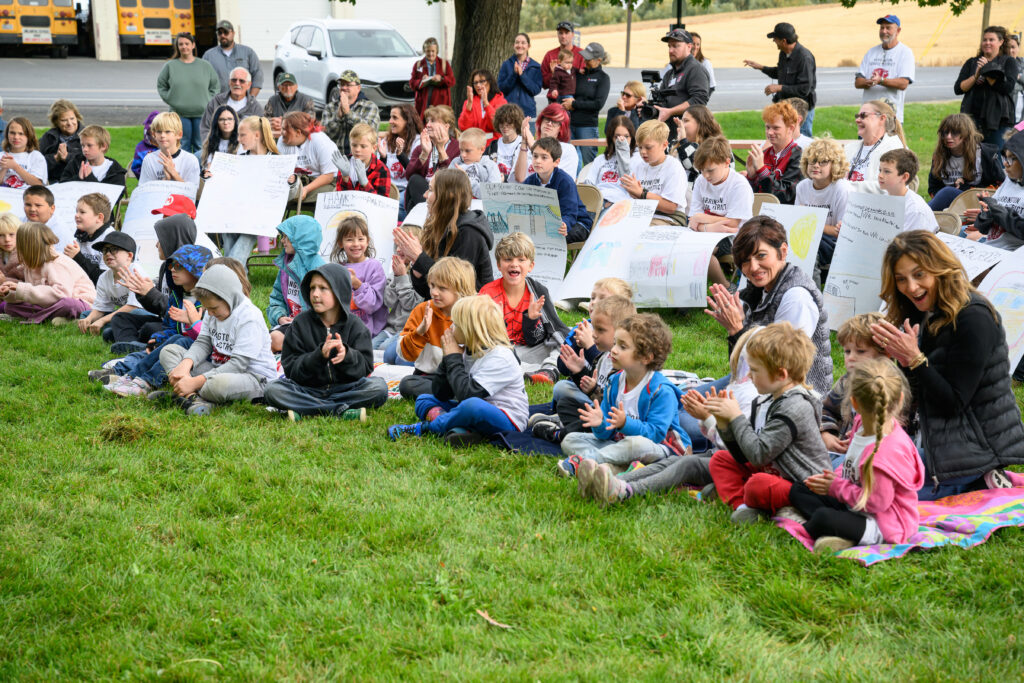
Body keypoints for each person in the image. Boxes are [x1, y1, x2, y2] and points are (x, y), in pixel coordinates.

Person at [871, 230, 1024, 499]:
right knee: (846, 467)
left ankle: (980, 481)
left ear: (940, 268)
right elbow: (919, 392)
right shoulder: (920, 311)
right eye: (901, 279)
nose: (911, 287)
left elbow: (953, 402)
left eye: (919, 274)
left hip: (972, 450)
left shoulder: (974, 317)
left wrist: (915, 359)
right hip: (932, 439)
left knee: (871, 489)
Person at [601, 326, 764, 505]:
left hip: (735, 465)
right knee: (674, 462)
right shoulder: (743, 389)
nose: (747, 373)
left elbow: (741, 450)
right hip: (719, 455)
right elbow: (722, 441)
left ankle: (627, 491)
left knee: (686, 465)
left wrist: (708, 418)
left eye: (753, 369)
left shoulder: (752, 397)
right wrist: (708, 415)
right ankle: (616, 482)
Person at [790, 358, 924, 553]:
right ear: (900, 399)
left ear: (854, 402)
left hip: (883, 523)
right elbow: (849, 465)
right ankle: (841, 531)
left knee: (822, 518)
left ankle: (845, 535)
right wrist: (834, 479)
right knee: (799, 489)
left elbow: (876, 503)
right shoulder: (861, 424)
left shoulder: (884, 454)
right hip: (852, 502)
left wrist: (835, 487)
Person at [704, 322, 830, 523]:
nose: (748, 376)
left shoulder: (795, 407)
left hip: (803, 487)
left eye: (754, 370)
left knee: (758, 484)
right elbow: (742, 454)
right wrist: (724, 423)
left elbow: (757, 455)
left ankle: (765, 504)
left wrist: (736, 416)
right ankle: (744, 506)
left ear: (781, 374)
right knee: (721, 459)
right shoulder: (766, 398)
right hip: (772, 470)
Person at [704, 217, 833, 397]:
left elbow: (780, 369)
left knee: (687, 417)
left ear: (783, 251)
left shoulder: (796, 298)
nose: (753, 267)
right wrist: (737, 329)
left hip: (793, 400)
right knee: (680, 398)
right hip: (756, 382)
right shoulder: (757, 290)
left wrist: (737, 330)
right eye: (745, 261)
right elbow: (743, 367)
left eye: (761, 256)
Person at [557, 313, 690, 481]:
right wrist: (600, 423)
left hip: (662, 450)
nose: (613, 350)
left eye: (622, 346)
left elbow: (655, 434)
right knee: (571, 440)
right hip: (621, 445)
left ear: (646, 357)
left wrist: (625, 423)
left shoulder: (661, 391)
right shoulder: (615, 382)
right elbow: (605, 435)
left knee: (635, 445)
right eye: (614, 343)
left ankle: (586, 462)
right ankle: (616, 467)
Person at [388, 295, 528, 446]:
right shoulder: (467, 350)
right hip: (473, 409)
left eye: (455, 324)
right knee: (424, 399)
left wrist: (453, 358)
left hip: (508, 419)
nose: (450, 327)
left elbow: (467, 396)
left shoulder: (501, 356)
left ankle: (427, 428)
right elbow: (441, 393)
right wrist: (447, 358)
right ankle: (462, 430)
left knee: (472, 406)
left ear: (470, 329)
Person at [263, 264, 389, 422]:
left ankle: (306, 410)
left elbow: (365, 368)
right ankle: (342, 410)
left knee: (379, 388)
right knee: (273, 390)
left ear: (339, 291)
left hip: (346, 389)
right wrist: (318, 356)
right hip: (307, 390)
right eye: (312, 288)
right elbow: (291, 369)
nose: (315, 294)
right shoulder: (300, 323)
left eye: (323, 288)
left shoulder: (355, 325)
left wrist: (347, 355)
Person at [160, 264, 278, 416]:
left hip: (253, 378)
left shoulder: (249, 317)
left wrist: (196, 381)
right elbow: (203, 342)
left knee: (215, 386)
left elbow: (238, 365)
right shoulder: (212, 310)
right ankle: (192, 397)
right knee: (169, 352)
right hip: (217, 369)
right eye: (207, 308)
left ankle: (187, 392)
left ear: (229, 298)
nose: (209, 313)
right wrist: (185, 364)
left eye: (214, 308)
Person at [104, 244, 211, 396]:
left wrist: (193, 322)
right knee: (150, 348)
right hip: (177, 347)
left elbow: (207, 340)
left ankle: (144, 381)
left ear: (195, 269)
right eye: (171, 265)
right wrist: (159, 339)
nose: (172, 269)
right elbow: (170, 327)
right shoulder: (177, 296)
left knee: (178, 340)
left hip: (197, 353)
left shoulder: (209, 301)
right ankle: (128, 375)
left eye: (179, 266)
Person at [530, 294, 636, 446]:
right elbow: (595, 395)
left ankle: (559, 434)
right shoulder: (604, 358)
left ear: (620, 332)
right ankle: (566, 424)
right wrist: (579, 371)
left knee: (583, 425)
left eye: (600, 330)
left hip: (614, 423)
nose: (593, 334)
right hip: (599, 412)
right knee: (565, 404)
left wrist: (593, 389)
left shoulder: (623, 364)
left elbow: (612, 405)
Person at [478, 232, 569, 384]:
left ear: (530, 266)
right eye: (508, 259)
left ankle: (548, 370)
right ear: (499, 265)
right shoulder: (487, 293)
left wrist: (532, 320)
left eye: (521, 259)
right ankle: (527, 370)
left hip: (529, 350)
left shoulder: (538, 290)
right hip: (499, 351)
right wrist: (496, 324)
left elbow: (537, 339)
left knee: (564, 340)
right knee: (485, 356)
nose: (514, 264)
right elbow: (481, 339)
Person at [107, 212, 199, 351]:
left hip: (179, 326)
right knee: (119, 319)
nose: (156, 245)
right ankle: (132, 345)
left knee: (147, 329)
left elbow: (174, 311)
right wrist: (142, 293)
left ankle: (139, 346)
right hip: (164, 321)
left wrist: (151, 293)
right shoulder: (166, 267)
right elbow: (159, 309)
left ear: (171, 240)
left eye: (160, 240)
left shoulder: (190, 271)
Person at [393, 168, 493, 297]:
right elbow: (429, 292)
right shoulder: (442, 225)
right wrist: (415, 262)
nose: (424, 195)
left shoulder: (469, 232)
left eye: (430, 189)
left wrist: (419, 258)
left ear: (447, 195)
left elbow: (455, 287)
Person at [394, 256, 477, 399]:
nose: (434, 292)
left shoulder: (474, 311)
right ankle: (457, 394)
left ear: (460, 289)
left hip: (462, 376)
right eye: (432, 285)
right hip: (429, 377)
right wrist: (419, 333)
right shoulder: (423, 310)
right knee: (407, 384)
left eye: (442, 288)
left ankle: (458, 392)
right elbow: (404, 355)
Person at [820, 313, 888, 461]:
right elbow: (826, 410)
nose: (851, 357)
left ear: (885, 354)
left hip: (871, 457)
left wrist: (865, 434)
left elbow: (895, 428)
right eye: (847, 351)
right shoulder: (846, 381)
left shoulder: (888, 387)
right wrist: (827, 434)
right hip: (841, 451)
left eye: (861, 351)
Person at [689, 136, 755, 286]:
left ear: (727, 162)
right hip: (706, 233)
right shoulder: (701, 181)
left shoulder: (739, 185)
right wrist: (707, 227)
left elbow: (732, 223)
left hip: (734, 237)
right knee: (689, 250)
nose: (705, 175)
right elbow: (692, 219)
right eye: (702, 170)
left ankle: (725, 287)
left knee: (701, 252)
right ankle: (691, 293)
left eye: (710, 170)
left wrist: (701, 220)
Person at [0, 222, 94, 324]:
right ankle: (55, 318)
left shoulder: (57, 262)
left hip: (79, 303)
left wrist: (22, 288)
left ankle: (36, 318)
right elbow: (34, 295)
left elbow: (61, 294)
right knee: (9, 306)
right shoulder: (29, 266)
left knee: (68, 304)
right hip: (49, 305)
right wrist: (11, 292)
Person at [743, 22, 817, 137]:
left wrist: (779, 88)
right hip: (786, 108)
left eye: (775, 38)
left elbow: (804, 89)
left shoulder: (804, 58)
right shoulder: (783, 53)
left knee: (801, 143)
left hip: (802, 111)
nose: (773, 41)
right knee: (785, 142)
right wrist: (761, 67)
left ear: (784, 41)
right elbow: (781, 72)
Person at [267, 215, 325, 354]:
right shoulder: (285, 267)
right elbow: (276, 299)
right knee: (257, 338)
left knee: (273, 340)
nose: (283, 241)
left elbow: (326, 310)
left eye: (287, 237)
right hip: (288, 325)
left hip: (312, 329)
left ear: (301, 239)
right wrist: (279, 317)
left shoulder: (319, 269)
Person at [955, 25, 1019, 150]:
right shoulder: (972, 62)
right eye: (985, 40)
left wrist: (987, 71)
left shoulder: (1008, 62)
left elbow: (1008, 87)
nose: (987, 43)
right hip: (971, 120)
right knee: (971, 159)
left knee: (994, 160)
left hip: (999, 122)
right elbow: (958, 89)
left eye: (991, 40)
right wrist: (976, 75)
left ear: (1001, 42)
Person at [795, 137, 851, 277]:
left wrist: (811, 222)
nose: (816, 165)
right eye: (812, 161)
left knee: (807, 248)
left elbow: (842, 233)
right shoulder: (802, 186)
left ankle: (812, 295)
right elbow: (796, 222)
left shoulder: (842, 189)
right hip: (807, 237)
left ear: (835, 165)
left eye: (823, 162)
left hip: (835, 244)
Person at [157, 32, 220, 153]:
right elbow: (161, 85)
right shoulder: (170, 66)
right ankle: (180, 171)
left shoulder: (205, 66)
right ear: (177, 46)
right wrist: (171, 99)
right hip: (179, 114)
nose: (184, 46)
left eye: (187, 43)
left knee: (200, 146)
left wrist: (208, 101)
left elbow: (215, 86)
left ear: (193, 45)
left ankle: (200, 170)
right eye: (181, 44)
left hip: (202, 114)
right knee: (181, 145)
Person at [927, 113, 1005, 211]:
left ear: (965, 134)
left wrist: (967, 189)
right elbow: (933, 188)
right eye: (945, 133)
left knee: (947, 192)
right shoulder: (939, 156)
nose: (948, 137)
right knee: (947, 193)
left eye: (954, 133)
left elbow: (1000, 185)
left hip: (979, 203)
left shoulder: (984, 154)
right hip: (949, 204)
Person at [522, 138, 592, 243]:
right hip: (545, 225)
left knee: (554, 238)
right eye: (535, 156)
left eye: (544, 157)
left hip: (576, 223)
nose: (537, 161)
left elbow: (570, 213)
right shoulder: (529, 181)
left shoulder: (565, 181)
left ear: (556, 162)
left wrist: (565, 224)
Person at [329, 215, 386, 339]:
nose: (356, 244)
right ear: (340, 243)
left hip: (368, 332)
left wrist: (358, 285)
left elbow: (373, 305)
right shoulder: (338, 269)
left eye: (360, 239)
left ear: (367, 241)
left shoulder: (374, 267)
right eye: (349, 239)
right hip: (343, 331)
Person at [622, 119, 687, 222]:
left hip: (669, 219)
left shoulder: (673, 167)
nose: (643, 152)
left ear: (664, 145)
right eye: (640, 147)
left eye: (648, 147)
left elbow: (671, 207)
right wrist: (632, 191)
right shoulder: (638, 166)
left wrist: (641, 193)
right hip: (642, 216)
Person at [75, 231, 136, 338]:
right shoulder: (104, 277)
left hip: (142, 315)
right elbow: (101, 307)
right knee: (86, 315)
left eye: (114, 250)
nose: (108, 254)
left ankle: (113, 330)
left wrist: (102, 320)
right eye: (105, 251)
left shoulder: (135, 272)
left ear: (129, 256)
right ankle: (110, 329)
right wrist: (89, 319)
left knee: (135, 315)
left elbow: (133, 307)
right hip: (122, 316)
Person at [855, 15, 915, 124]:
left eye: (888, 28)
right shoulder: (871, 52)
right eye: (882, 28)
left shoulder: (905, 53)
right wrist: (868, 82)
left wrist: (881, 80)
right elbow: (858, 82)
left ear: (898, 30)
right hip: (867, 117)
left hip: (890, 117)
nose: (884, 31)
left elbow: (903, 84)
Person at [971, 129, 1024, 249]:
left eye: (1012, 158)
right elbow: (984, 229)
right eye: (1005, 158)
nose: (1005, 164)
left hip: (1013, 257)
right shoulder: (1009, 181)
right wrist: (986, 213)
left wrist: (997, 211)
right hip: (990, 248)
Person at [403, 105, 460, 210]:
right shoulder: (421, 148)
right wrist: (424, 154)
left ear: (446, 126)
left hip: (445, 196)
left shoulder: (458, 148)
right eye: (427, 121)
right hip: (423, 195)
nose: (428, 125)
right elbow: (409, 176)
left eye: (433, 121)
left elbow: (453, 180)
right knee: (415, 180)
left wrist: (441, 149)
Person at [745, 101, 803, 204]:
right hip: (760, 214)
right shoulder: (764, 154)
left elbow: (787, 196)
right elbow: (749, 197)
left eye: (776, 128)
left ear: (791, 128)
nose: (770, 132)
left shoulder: (799, 156)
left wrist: (762, 170)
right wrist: (751, 177)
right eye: (767, 127)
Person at [277, 111, 339, 204]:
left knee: (295, 196)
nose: (282, 133)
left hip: (326, 181)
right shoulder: (283, 141)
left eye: (285, 130)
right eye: (282, 129)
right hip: (299, 180)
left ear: (298, 132)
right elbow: (282, 170)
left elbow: (329, 176)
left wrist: (306, 189)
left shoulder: (320, 141)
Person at [564, 42, 610, 166]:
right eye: (584, 56)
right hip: (570, 124)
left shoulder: (603, 78)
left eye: (588, 58)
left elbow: (598, 104)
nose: (584, 60)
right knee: (570, 160)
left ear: (598, 60)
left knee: (589, 163)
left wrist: (574, 104)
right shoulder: (579, 74)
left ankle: (589, 185)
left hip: (587, 126)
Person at [845, 100, 906, 192]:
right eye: (857, 116)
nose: (857, 120)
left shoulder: (893, 149)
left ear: (882, 119)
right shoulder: (850, 148)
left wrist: (846, 186)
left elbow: (888, 186)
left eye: (863, 116)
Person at [655, 29, 710, 129]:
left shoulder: (695, 69)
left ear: (689, 47)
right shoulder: (669, 74)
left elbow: (699, 100)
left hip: (689, 135)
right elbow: (662, 100)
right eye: (669, 46)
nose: (670, 50)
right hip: (670, 133)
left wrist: (670, 111)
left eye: (676, 46)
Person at [877, 149, 938, 232]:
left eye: (887, 171)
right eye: (880, 170)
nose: (880, 175)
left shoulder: (914, 210)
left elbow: (909, 243)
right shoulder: (884, 198)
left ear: (904, 177)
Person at [514, 103, 580, 180]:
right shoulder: (525, 145)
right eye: (547, 119)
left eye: (555, 121)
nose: (549, 123)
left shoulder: (567, 150)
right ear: (541, 121)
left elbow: (554, 181)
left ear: (561, 128)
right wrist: (524, 141)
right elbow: (519, 178)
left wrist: (534, 148)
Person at [323, 70, 381, 157]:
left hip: (363, 160)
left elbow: (369, 132)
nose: (344, 87)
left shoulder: (370, 106)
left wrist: (348, 113)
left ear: (358, 88)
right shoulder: (330, 107)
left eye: (348, 85)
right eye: (342, 84)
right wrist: (338, 117)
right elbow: (325, 136)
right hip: (337, 160)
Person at [582, 115, 636, 206]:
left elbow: (626, 181)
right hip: (598, 202)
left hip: (621, 203)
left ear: (632, 138)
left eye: (626, 136)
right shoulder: (601, 159)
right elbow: (589, 183)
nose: (622, 140)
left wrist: (623, 151)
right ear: (611, 138)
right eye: (617, 136)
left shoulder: (637, 158)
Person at [138, 112, 201, 187]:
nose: (162, 135)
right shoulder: (149, 160)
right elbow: (145, 191)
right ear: (154, 135)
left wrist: (173, 173)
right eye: (159, 131)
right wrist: (165, 179)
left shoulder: (190, 160)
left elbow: (193, 191)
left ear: (179, 135)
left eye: (167, 131)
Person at [199, 67, 262, 141]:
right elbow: (205, 129)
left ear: (249, 85)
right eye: (234, 80)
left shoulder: (255, 107)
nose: (237, 83)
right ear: (229, 82)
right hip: (217, 148)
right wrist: (212, 147)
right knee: (197, 153)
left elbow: (260, 133)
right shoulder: (216, 102)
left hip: (244, 148)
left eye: (241, 81)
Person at [202, 20, 263, 96]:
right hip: (218, 103)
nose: (223, 35)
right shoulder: (208, 56)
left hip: (243, 103)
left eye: (226, 32)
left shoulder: (248, 52)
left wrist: (251, 99)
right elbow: (202, 80)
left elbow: (257, 75)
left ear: (233, 33)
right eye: (220, 33)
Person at [64, 192, 114, 284]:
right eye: (76, 211)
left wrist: (77, 257)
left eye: (82, 212)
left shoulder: (110, 240)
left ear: (99, 217)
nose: (76, 215)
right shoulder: (81, 236)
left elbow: (103, 280)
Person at [332, 124, 391, 197]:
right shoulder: (345, 163)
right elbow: (339, 196)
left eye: (363, 146)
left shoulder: (382, 170)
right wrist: (345, 177)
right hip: (348, 207)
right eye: (354, 145)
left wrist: (365, 183)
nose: (357, 149)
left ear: (374, 148)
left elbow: (382, 203)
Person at [57, 125, 126, 186]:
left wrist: (89, 177)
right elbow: (63, 185)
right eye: (82, 145)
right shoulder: (76, 163)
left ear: (103, 146)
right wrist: (78, 178)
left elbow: (113, 198)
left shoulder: (115, 171)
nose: (85, 149)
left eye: (89, 145)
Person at [673, 104, 723, 185]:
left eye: (686, 121)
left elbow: (697, 166)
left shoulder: (716, 145)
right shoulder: (677, 144)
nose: (681, 125)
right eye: (682, 121)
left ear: (700, 123)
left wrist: (683, 142)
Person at [498, 33, 543, 120]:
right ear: (513, 45)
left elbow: (535, 90)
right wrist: (514, 74)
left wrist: (522, 75)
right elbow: (501, 88)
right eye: (517, 42)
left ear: (528, 46)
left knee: (527, 134)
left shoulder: (536, 66)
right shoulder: (506, 64)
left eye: (523, 43)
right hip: (508, 111)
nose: (520, 45)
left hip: (528, 112)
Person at [449, 127, 502, 198]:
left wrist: (466, 180)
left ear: (482, 150)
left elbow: (493, 195)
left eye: (468, 151)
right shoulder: (456, 162)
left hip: (481, 207)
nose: (463, 155)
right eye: (461, 150)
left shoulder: (491, 166)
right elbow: (447, 188)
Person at [458, 69, 507, 146]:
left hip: (494, 144)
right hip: (474, 145)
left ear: (489, 82)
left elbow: (497, 126)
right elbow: (463, 128)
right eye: (475, 82)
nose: (478, 85)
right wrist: (468, 107)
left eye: (481, 81)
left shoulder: (500, 100)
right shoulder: (469, 102)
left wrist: (486, 104)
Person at [409, 37, 455, 118]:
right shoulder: (418, 64)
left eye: (433, 51)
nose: (430, 54)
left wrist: (441, 78)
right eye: (428, 51)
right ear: (424, 51)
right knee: (423, 125)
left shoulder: (444, 64)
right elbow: (412, 83)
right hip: (423, 102)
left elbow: (452, 81)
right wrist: (421, 81)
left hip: (441, 102)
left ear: (437, 51)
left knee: (440, 122)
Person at [39, 99, 83, 182]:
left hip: (77, 183)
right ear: (56, 121)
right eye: (64, 120)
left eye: (72, 118)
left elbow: (92, 162)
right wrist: (55, 158)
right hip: (52, 183)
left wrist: (67, 157)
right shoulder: (49, 137)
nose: (69, 123)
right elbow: (36, 162)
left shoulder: (87, 136)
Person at [263, 72, 315, 138]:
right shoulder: (272, 100)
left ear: (296, 86)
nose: (288, 88)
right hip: (277, 138)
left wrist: (285, 123)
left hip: (298, 138)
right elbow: (264, 120)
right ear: (279, 87)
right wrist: (271, 123)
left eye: (291, 85)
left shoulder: (306, 100)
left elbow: (310, 122)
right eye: (284, 85)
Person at [1, 117, 47, 187]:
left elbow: (37, 184)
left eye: (21, 133)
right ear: (7, 134)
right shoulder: (2, 155)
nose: (16, 137)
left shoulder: (36, 156)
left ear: (29, 136)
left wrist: (15, 167)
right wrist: (4, 168)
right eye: (12, 133)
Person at [541, 21, 584, 89]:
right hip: (555, 98)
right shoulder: (550, 55)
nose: (563, 36)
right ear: (557, 35)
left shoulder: (581, 54)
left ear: (572, 34)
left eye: (566, 33)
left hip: (576, 97)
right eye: (560, 33)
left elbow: (585, 80)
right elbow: (543, 83)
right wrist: (553, 74)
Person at [199, 105, 240, 174]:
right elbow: (207, 167)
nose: (226, 123)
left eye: (229, 119)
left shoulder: (242, 143)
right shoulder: (210, 142)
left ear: (235, 121)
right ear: (216, 122)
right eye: (221, 119)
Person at [488, 103, 523, 179]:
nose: (504, 126)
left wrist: (505, 178)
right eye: (501, 122)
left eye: (509, 123)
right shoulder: (493, 145)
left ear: (516, 123)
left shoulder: (523, 145)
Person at [131, 111, 160, 178]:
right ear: (148, 131)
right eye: (153, 130)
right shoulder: (141, 147)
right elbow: (135, 168)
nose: (156, 134)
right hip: (146, 182)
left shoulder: (168, 146)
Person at [0, 213, 21, 283]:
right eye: (1, 235)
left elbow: (30, 284)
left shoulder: (27, 256)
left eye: (11, 234)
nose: (7, 239)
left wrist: (5, 280)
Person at [1010, 35, 1024, 123]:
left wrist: (1018, 77)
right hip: (1006, 119)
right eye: (1007, 47)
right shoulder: (998, 64)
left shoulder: (1022, 62)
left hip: (1021, 119)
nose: (1010, 51)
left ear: (1018, 48)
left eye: (1013, 47)